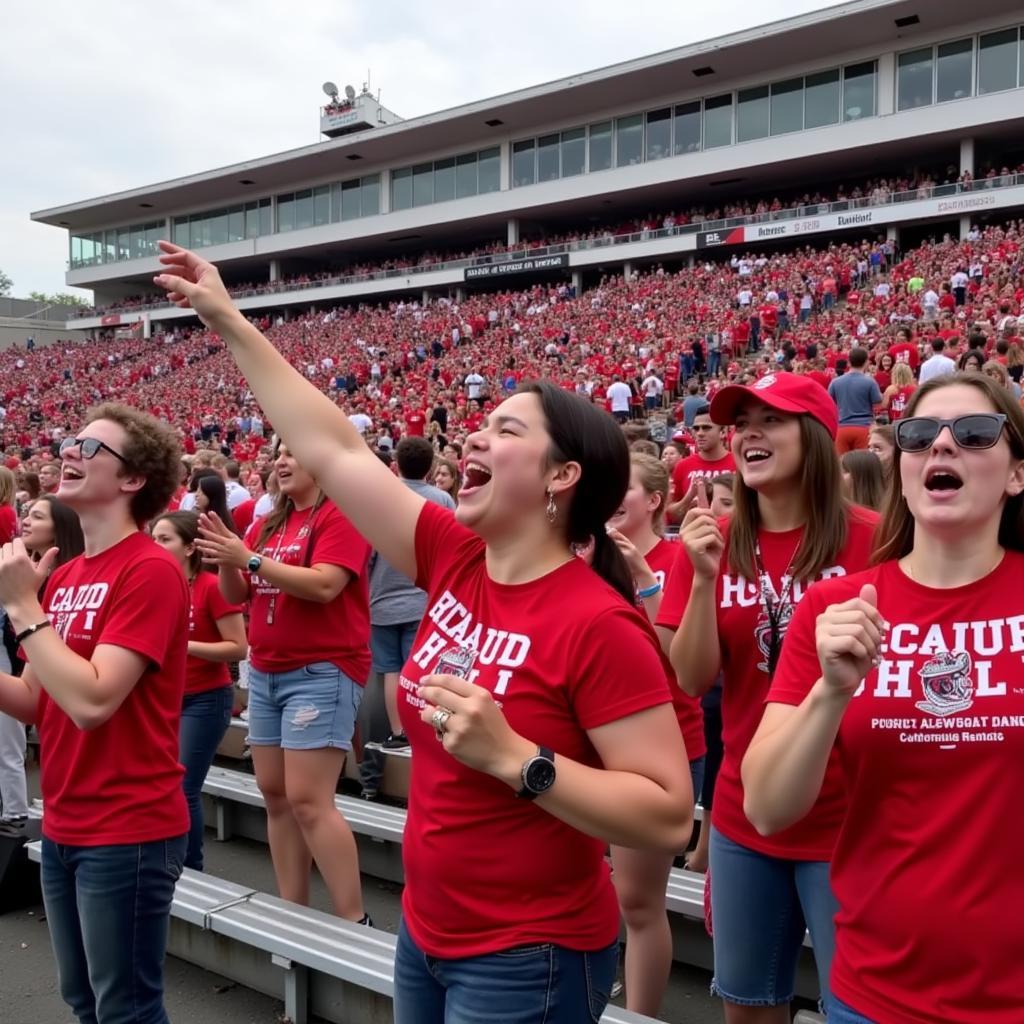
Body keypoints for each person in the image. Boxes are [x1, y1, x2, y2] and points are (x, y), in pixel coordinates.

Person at [154, 242, 692, 1024]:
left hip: (529, 954)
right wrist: (228, 319)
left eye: (504, 430)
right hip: (428, 931)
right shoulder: (453, 554)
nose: (472, 438)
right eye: (478, 425)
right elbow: (334, 447)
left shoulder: (599, 622)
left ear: (561, 477)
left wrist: (518, 760)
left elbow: (669, 814)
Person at [743, 373, 1024, 1023]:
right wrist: (830, 692)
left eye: (975, 433)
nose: (942, 447)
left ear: (1016, 474)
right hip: (876, 992)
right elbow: (766, 807)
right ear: (901, 468)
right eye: (919, 436)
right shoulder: (834, 608)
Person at [657, 372, 878, 1024]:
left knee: (857, 1008)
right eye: (741, 422)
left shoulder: (878, 538)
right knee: (748, 1006)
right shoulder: (710, 543)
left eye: (771, 419)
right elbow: (693, 680)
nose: (749, 432)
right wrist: (700, 582)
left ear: (813, 436)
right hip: (743, 815)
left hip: (853, 820)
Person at [0, 402, 189, 1024]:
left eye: (89, 447)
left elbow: (91, 702)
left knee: (125, 1009)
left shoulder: (152, 568)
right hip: (63, 819)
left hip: (128, 827)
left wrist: (23, 607)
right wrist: (32, 604)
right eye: (70, 441)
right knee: (85, 1001)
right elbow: (34, 700)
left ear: (132, 479)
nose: (68, 451)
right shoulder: (65, 574)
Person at [195, 439, 373, 922]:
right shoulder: (267, 521)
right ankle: (293, 910)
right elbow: (239, 594)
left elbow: (324, 585)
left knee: (308, 799)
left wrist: (248, 558)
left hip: (322, 668)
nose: (281, 460)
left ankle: (354, 918)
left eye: (293, 451)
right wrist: (229, 557)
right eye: (277, 453)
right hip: (269, 669)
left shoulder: (342, 515)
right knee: (273, 792)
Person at [605, 452, 705, 1017]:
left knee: (641, 903)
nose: (615, 496)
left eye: (628, 488)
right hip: (589, 746)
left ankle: (640, 1013)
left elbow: (683, 667)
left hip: (662, 747)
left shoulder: (679, 559)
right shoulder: (584, 557)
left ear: (655, 501)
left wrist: (644, 580)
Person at [152, 511, 247, 871]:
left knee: (182, 787)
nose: (156, 546)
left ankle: (188, 868)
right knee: (163, 787)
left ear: (191, 547)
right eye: (154, 538)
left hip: (205, 698)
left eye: (165, 539)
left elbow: (238, 647)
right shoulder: (157, 583)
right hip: (163, 698)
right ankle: (169, 862)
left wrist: (185, 645)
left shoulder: (210, 587)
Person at [361, 438, 455, 797]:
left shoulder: (382, 497)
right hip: (423, 597)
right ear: (431, 466)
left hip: (382, 597)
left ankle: (400, 732)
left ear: (396, 463)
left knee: (390, 671)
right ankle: (419, 730)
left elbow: (368, 551)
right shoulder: (442, 499)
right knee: (421, 668)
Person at [683, 472, 735, 875]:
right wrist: (704, 576)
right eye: (715, 501)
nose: (717, 512)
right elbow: (689, 676)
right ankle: (703, 848)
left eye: (728, 503)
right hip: (713, 697)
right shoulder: (699, 554)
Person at [666, 405, 736, 523]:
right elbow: (670, 515)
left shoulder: (739, 464)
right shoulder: (683, 466)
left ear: (723, 432)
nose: (700, 433)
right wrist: (688, 499)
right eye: (696, 428)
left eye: (706, 428)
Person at [829, 347, 882, 453]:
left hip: (842, 428)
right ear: (866, 362)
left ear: (849, 362)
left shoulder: (835, 382)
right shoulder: (870, 382)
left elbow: (829, 403)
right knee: (862, 465)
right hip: (864, 427)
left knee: (842, 465)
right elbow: (878, 403)